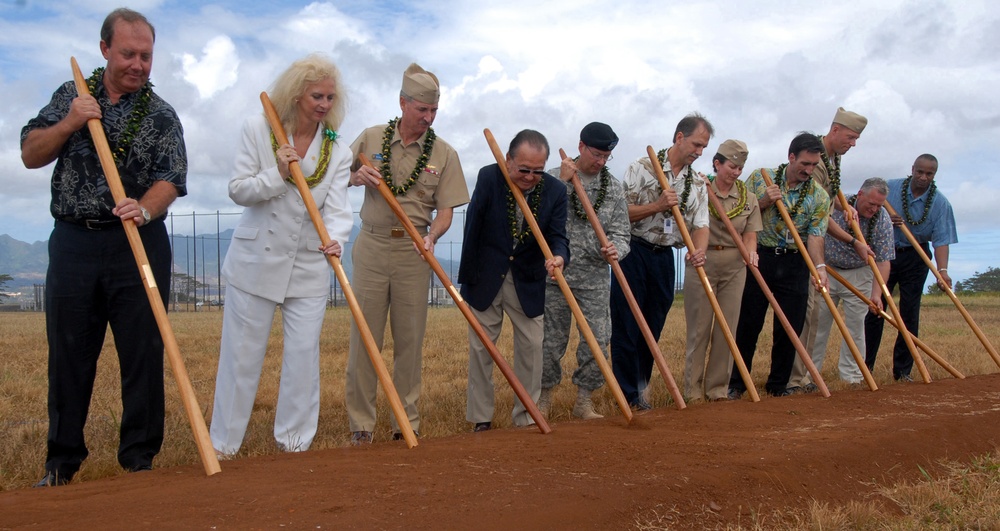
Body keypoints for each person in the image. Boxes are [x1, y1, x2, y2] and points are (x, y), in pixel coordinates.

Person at [20, 8, 187, 486]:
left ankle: (139, 460)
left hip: (138, 241)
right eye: (129, 54)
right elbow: (31, 153)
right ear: (105, 50)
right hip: (73, 243)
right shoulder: (70, 96)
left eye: (147, 56)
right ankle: (61, 463)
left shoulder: (161, 115)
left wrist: (145, 208)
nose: (138, 64)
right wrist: (71, 121)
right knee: (69, 354)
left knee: (142, 351)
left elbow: (171, 180)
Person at [209, 55, 352, 457]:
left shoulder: (337, 150)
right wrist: (278, 174)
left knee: (303, 355)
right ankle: (223, 444)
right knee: (241, 355)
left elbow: (338, 209)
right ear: (296, 94)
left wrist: (336, 239)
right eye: (316, 95)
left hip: (308, 264)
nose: (324, 104)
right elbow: (238, 190)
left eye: (329, 97)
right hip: (255, 262)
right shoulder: (258, 129)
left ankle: (294, 442)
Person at [346, 63, 469, 444]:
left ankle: (405, 421)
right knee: (365, 336)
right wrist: (355, 177)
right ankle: (361, 425)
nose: (428, 118)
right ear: (403, 103)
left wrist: (432, 235)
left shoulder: (445, 154)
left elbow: (447, 209)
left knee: (410, 341)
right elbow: (335, 175)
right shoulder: (370, 138)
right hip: (371, 244)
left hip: (415, 249)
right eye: (421, 110)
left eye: (434, 111)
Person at [459, 130, 569, 431]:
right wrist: (467, 280)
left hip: (528, 280)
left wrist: (559, 257)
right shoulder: (488, 177)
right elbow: (473, 229)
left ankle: (526, 416)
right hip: (486, 277)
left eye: (538, 171)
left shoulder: (556, 192)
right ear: (508, 161)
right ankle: (481, 418)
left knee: (532, 348)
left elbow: (559, 237)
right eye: (524, 169)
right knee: (482, 349)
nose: (531, 177)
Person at [612, 113, 712, 410]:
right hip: (633, 252)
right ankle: (626, 393)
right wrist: (656, 206)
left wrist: (700, 250)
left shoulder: (696, 182)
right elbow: (620, 214)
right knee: (628, 324)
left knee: (652, 326)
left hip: (664, 258)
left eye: (704, 147)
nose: (699, 151)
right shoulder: (640, 168)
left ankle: (641, 388)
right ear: (679, 137)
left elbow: (701, 224)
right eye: (696, 144)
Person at [728, 132, 830, 399]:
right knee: (748, 323)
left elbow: (816, 237)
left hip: (796, 261)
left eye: (814, 165)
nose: (809, 170)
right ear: (791, 157)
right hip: (760, 257)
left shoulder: (819, 197)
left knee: (790, 326)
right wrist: (763, 202)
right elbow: (740, 217)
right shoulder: (761, 179)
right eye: (805, 164)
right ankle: (737, 383)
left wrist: (819, 268)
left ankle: (778, 384)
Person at [540, 122, 629, 420]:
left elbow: (622, 233)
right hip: (555, 275)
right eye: (596, 154)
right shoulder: (553, 179)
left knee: (598, 340)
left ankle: (584, 401)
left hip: (593, 278)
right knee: (549, 342)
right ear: (581, 147)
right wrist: (564, 184)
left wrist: (616, 249)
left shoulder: (614, 189)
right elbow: (538, 218)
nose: (601, 161)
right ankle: (543, 398)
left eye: (607, 156)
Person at [787, 107, 868, 393]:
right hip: (804, 247)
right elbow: (818, 217)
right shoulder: (817, 161)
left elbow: (829, 201)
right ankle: (797, 377)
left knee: (814, 314)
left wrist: (844, 207)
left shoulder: (832, 161)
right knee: (809, 315)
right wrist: (851, 240)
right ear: (834, 130)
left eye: (857, 138)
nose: (853, 143)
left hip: (815, 242)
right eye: (850, 136)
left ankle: (803, 376)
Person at [864, 155, 956, 381]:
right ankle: (864, 367)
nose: (923, 177)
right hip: (885, 254)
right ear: (912, 169)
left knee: (909, 313)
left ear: (934, 175)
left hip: (915, 257)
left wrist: (942, 271)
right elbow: (868, 206)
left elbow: (941, 240)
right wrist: (885, 217)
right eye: (920, 172)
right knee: (875, 307)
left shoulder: (941, 203)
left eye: (929, 174)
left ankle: (902, 371)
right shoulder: (890, 188)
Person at [683, 140, 761, 402]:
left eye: (740, 168)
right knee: (699, 328)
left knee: (727, 327)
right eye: (731, 166)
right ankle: (692, 390)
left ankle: (717, 389)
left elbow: (750, 234)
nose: (736, 172)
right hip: (702, 260)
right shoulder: (700, 189)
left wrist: (751, 252)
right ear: (717, 163)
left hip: (734, 266)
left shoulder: (748, 198)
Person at [811, 178, 894, 384]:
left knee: (856, 327)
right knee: (818, 324)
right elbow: (821, 224)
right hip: (828, 269)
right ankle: (808, 374)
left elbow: (883, 261)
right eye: (871, 204)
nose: (874, 209)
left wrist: (877, 294)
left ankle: (852, 376)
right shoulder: (839, 205)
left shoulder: (882, 219)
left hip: (859, 274)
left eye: (879, 205)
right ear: (860, 195)